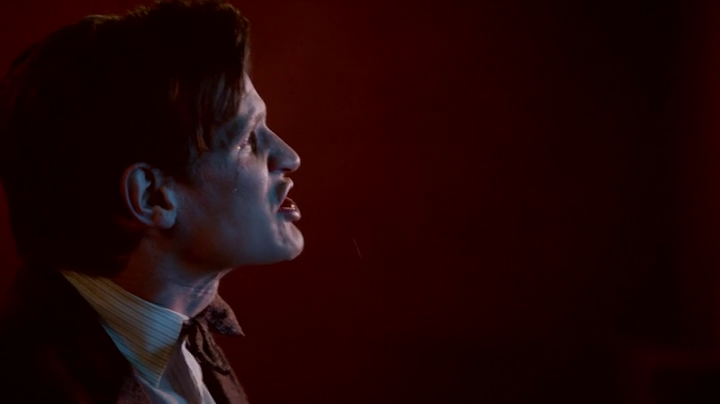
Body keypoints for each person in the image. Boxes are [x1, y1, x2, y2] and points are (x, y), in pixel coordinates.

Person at [0, 0, 303, 402]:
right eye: (247, 139)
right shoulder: (26, 381)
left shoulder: (180, 345)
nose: (290, 157)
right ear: (152, 196)